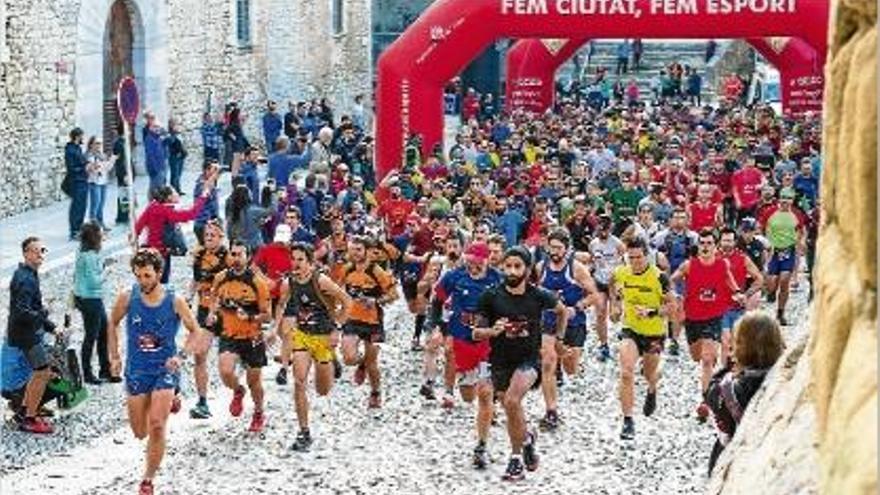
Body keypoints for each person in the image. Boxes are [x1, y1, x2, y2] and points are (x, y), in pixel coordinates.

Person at [106, 249, 211, 495]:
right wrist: (114, 355)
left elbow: (195, 330)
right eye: (138, 275)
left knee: (156, 425)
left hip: (165, 369)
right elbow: (112, 322)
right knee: (139, 432)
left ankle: (148, 480)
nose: (142, 281)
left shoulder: (174, 300)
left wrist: (181, 356)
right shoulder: (127, 297)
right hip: (137, 370)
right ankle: (168, 401)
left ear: (158, 274)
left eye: (147, 275)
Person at [472, 246, 567, 481]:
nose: (512, 271)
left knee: (513, 400)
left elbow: (562, 311)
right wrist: (492, 331)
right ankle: (526, 439)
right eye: (508, 266)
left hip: (528, 361)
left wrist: (559, 340)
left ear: (527, 269)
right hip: (499, 361)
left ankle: (515, 461)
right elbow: (476, 332)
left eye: (518, 266)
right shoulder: (491, 296)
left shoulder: (538, 295)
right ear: (502, 267)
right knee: (509, 406)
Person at [277, 243, 351, 452]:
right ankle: (304, 431)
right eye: (293, 259)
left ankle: (332, 359)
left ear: (310, 262)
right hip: (302, 336)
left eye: (300, 259)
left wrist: (337, 329)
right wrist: (275, 329)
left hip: (324, 337)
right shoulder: (288, 282)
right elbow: (282, 304)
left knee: (322, 389)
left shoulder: (321, 280)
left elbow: (346, 301)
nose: (296, 263)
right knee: (299, 381)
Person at [424, 241, 502, 423]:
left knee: (487, 370)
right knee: (465, 391)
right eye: (470, 264)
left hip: (486, 335)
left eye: (478, 264)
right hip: (459, 330)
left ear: (487, 261)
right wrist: (436, 326)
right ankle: (451, 391)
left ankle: (491, 404)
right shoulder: (454, 276)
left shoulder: (497, 278)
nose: (473, 268)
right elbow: (437, 300)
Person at [671, 229, 744, 422]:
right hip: (693, 318)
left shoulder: (722, 264)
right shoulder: (689, 265)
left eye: (709, 243)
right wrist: (673, 295)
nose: (705, 246)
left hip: (714, 316)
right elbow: (673, 279)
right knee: (697, 356)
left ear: (715, 245)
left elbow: (729, 280)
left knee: (707, 359)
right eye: (702, 243)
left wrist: (737, 292)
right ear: (698, 246)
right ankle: (708, 391)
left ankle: (705, 402)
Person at [609, 237, 674, 440]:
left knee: (648, 374)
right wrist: (616, 305)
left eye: (639, 257)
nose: (635, 262)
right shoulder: (622, 272)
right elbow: (613, 285)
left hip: (654, 332)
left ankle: (652, 387)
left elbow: (672, 307)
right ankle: (628, 421)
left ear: (647, 256)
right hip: (630, 329)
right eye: (631, 258)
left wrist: (652, 312)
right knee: (626, 372)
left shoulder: (659, 277)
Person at [205, 240, 272, 432]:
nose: (235, 258)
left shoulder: (258, 283)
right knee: (225, 371)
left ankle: (258, 412)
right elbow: (214, 297)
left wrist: (250, 316)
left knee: (254, 382)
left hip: (253, 337)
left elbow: (267, 316)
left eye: (239, 254)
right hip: (229, 334)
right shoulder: (220, 278)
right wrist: (212, 313)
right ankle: (237, 390)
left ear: (248, 257)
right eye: (232, 254)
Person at [535, 228, 597, 430]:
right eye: (551, 247)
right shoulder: (540, 267)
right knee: (547, 363)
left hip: (573, 321)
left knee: (571, 367)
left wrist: (576, 307)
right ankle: (551, 411)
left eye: (558, 248)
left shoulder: (577, 269)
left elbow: (593, 295)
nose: (554, 252)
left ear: (567, 249)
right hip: (549, 320)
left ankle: (563, 364)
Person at [706, 312, 784, 473]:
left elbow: (711, 394)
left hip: (735, 461)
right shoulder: (788, 379)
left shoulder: (727, 387)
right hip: (776, 458)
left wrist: (729, 365)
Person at [332, 236, 398, 409]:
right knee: (348, 358)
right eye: (352, 250)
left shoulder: (377, 271)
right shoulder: (346, 270)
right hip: (352, 319)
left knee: (372, 364)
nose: (354, 254)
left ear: (367, 252)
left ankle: (375, 392)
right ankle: (360, 362)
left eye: (358, 250)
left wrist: (376, 301)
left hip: (374, 322)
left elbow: (394, 295)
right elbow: (337, 291)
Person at [7, 237, 58, 433]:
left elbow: (31, 309)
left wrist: (51, 327)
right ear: (26, 253)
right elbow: (23, 312)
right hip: (25, 335)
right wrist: (45, 312)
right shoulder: (25, 279)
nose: (40, 254)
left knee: (39, 372)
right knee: (42, 372)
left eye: (42, 251)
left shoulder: (28, 274)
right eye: (35, 251)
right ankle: (29, 417)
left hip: (25, 332)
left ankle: (25, 411)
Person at [188, 219, 228, 419]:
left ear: (222, 236)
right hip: (204, 311)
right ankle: (202, 401)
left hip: (227, 313)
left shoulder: (229, 257)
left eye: (213, 235)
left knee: (229, 360)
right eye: (206, 235)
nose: (209, 238)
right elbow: (196, 279)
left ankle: (241, 388)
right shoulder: (199, 255)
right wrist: (187, 299)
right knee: (199, 354)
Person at [135, 183, 214, 284]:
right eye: (175, 192)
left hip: (150, 248)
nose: (177, 194)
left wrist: (134, 236)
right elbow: (191, 214)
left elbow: (139, 224)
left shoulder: (152, 206)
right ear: (169, 197)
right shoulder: (167, 212)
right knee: (162, 280)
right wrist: (203, 196)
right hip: (162, 251)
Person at [73, 222, 117, 384]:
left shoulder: (83, 251)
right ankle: (88, 373)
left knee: (103, 332)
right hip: (90, 299)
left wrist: (104, 263)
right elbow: (94, 281)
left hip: (88, 298)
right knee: (91, 336)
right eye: (100, 233)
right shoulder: (89, 255)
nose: (103, 234)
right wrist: (107, 271)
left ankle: (105, 369)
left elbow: (88, 272)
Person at [251, 224, 294, 384]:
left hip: (289, 295)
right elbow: (254, 267)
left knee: (286, 331)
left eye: (284, 241)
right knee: (282, 333)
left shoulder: (294, 252)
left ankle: (283, 368)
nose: (281, 244)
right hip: (271, 295)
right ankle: (288, 356)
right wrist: (265, 280)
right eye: (279, 241)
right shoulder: (267, 249)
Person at [718, 228, 764, 366]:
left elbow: (759, 279)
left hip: (737, 307)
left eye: (730, 240)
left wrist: (746, 295)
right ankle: (724, 372)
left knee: (736, 342)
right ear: (720, 241)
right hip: (718, 307)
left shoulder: (743, 258)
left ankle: (734, 371)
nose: (727, 243)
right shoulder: (714, 257)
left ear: (735, 242)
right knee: (725, 342)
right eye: (725, 240)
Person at [760, 187, 805, 325]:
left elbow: (800, 233)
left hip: (788, 250)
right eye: (783, 198)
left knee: (785, 279)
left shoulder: (797, 214)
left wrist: (800, 244)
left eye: (789, 198)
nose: (785, 201)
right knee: (772, 283)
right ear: (778, 198)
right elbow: (761, 229)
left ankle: (780, 312)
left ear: (792, 200)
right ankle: (771, 292)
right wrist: (766, 247)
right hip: (772, 250)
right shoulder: (769, 212)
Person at [588, 215, 625, 362]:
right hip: (599, 282)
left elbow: (625, 262)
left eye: (606, 228)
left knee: (615, 316)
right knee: (600, 313)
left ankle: (625, 331)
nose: (603, 231)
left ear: (610, 228)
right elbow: (592, 262)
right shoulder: (593, 244)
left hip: (614, 282)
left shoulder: (617, 243)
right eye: (600, 227)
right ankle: (603, 345)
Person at [84, 136, 116, 231]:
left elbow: (107, 168)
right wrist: (92, 167)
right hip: (94, 182)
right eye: (97, 143)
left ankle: (100, 223)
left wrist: (112, 160)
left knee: (101, 204)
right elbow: (87, 169)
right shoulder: (88, 156)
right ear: (91, 144)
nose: (99, 145)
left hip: (103, 181)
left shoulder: (102, 155)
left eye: (100, 143)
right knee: (95, 205)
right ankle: (92, 227)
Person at [65, 127, 89, 241]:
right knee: (76, 207)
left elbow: (82, 161)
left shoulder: (78, 148)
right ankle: (74, 231)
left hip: (83, 181)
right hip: (76, 182)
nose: (83, 138)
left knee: (83, 206)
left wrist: (88, 165)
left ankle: (79, 229)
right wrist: (84, 168)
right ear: (77, 136)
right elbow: (71, 168)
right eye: (81, 136)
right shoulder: (69, 150)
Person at [143, 111, 168, 194]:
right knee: (156, 189)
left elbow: (166, 136)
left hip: (162, 164)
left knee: (161, 186)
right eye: (155, 127)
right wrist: (155, 169)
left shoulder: (158, 138)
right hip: (156, 167)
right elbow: (150, 155)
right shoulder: (149, 138)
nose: (158, 129)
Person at [165, 118, 188, 196]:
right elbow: (171, 143)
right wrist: (174, 134)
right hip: (174, 156)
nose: (176, 125)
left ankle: (178, 189)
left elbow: (181, 143)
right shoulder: (170, 134)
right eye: (174, 124)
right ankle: (173, 191)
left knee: (179, 174)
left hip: (180, 156)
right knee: (174, 175)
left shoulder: (178, 133)